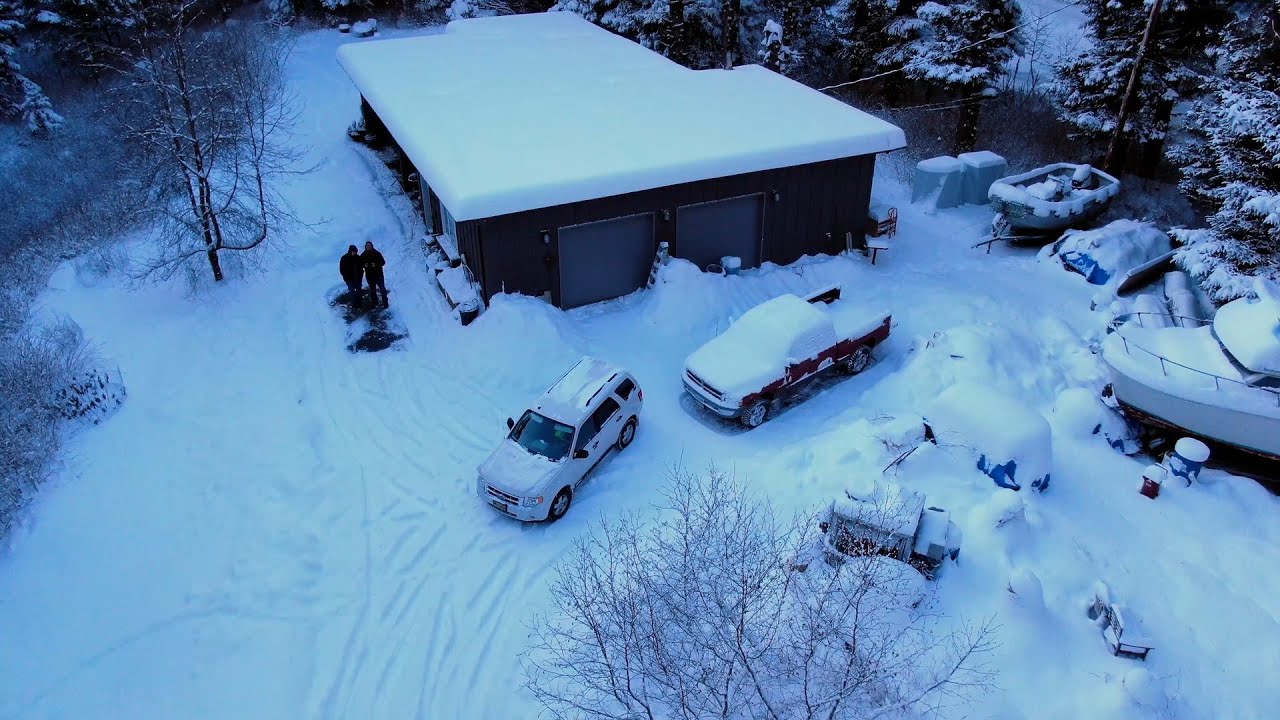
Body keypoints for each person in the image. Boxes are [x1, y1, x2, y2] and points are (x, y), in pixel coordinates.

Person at [362, 240, 389, 308]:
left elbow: (383, 262)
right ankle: (375, 303)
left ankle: (385, 303)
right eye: (367, 246)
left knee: (382, 289)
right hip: (369, 276)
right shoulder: (363, 254)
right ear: (365, 247)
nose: (368, 247)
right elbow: (360, 264)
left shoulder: (377, 253)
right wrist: (364, 265)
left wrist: (376, 264)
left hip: (378, 275)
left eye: (369, 245)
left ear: (371, 246)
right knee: (372, 290)